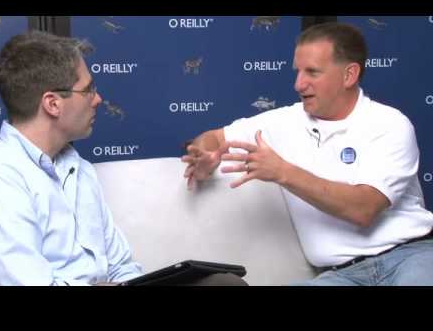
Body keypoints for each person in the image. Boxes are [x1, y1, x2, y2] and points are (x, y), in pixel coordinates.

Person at [0, 31, 247, 286]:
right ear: (53, 104)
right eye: (88, 89)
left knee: (223, 283)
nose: (98, 99)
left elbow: (121, 266)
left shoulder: (79, 169)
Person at [182, 22, 433, 286]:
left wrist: (283, 172)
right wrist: (204, 155)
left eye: (312, 72)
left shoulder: (389, 124)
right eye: (298, 72)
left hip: (410, 257)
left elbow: (363, 209)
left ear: (349, 75)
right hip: (340, 276)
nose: (298, 84)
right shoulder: (282, 122)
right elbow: (212, 137)